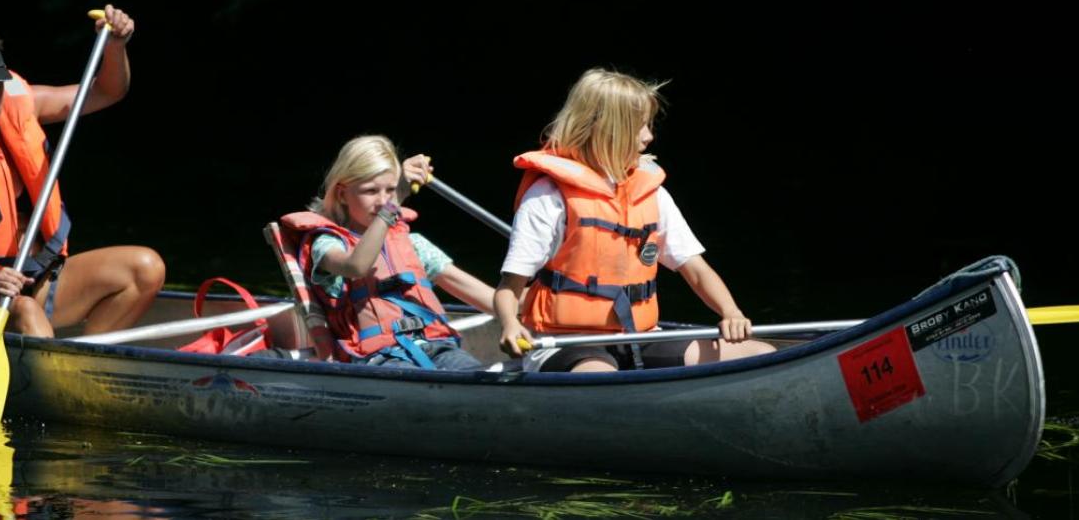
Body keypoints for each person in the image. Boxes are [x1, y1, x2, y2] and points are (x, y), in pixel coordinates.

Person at [0, 6, 165, 338]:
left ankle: (82, 363)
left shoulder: (24, 106)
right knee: (24, 309)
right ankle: (55, 380)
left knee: (144, 268)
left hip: (35, 277)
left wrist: (116, 45)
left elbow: (108, 91)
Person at [494, 68, 775, 372]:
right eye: (639, 127)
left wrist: (730, 311)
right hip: (565, 342)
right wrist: (510, 324)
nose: (648, 137)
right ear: (606, 129)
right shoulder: (548, 197)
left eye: (649, 125)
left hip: (640, 336)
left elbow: (695, 269)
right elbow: (509, 287)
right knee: (600, 379)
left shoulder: (651, 194)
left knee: (760, 353)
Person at [278, 135, 496, 370]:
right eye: (371, 191)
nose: (383, 201)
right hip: (379, 358)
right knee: (417, 385)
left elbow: (491, 299)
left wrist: (537, 292)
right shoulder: (328, 244)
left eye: (391, 190)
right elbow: (356, 266)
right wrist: (394, 204)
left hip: (438, 347)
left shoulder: (413, 244)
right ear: (342, 194)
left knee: (473, 373)